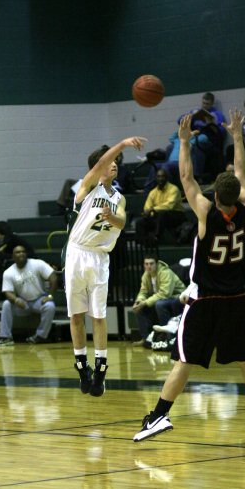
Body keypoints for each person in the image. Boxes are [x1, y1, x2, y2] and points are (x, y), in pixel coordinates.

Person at [133, 109, 245, 443]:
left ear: (215, 195)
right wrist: (237, 136)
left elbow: (185, 178)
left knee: (183, 361)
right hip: (236, 296)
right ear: (236, 193)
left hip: (206, 298)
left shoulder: (206, 211)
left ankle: (158, 416)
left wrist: (183, 143)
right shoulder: (244, 204)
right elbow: (240, 169)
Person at [64, 135, 147, 397]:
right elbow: (101, 160)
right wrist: (122, 144)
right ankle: (82, 367)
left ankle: (100, 369)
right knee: (76, 315)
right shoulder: (86, 188)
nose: (114, 165)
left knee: (98, 316)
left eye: (116, 163)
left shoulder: (119, 199)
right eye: (111, 162)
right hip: (77, 253)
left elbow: (121, 223)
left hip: (100, 257)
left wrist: (112, 216)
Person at [0, 246, 58, 347]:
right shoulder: (9, 272)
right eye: (18, 252)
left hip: (39, 300)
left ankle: (40, 336)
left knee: (50, 306)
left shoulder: (37, 263)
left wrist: (50, 295)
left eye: (23, 251)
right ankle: (6, 337)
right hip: (23, 303)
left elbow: (53, 278)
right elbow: (7, 292)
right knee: (7, 304)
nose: (21, 254)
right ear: (13, 256)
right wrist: (16, 300)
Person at [132, 253, 185, 347]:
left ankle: (165, 337)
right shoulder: (146, 275)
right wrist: (139, 301)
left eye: (151, 263)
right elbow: (143, 291)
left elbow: (165, 293)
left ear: (157, 264)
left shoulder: (165, 272)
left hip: (177, 298)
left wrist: (145, 302)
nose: (149, 266)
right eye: (146, 264)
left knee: (159, 304)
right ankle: (146, 339)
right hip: (161, 299)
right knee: (139, 308)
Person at [134, 168, 185, 246]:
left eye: (163, 176)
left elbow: (169, 206)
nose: (160, 179)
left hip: (176, 215)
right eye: (158, 176)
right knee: (140, 222)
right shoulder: (153, 192)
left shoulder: (174, 189)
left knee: (162, 214)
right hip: (159, 217)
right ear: (155, 178)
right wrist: (148, 213)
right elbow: (147, 207)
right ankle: (143, 243)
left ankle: (156, 238)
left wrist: (153, 209)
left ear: (166, 178)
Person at [0, 221, 35, 290]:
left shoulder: (10, 239)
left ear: (0, 232)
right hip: (19, 256)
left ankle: (2, 283)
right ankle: (0, 283)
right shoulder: (8, 238)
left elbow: (2, 252)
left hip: (28, 257)